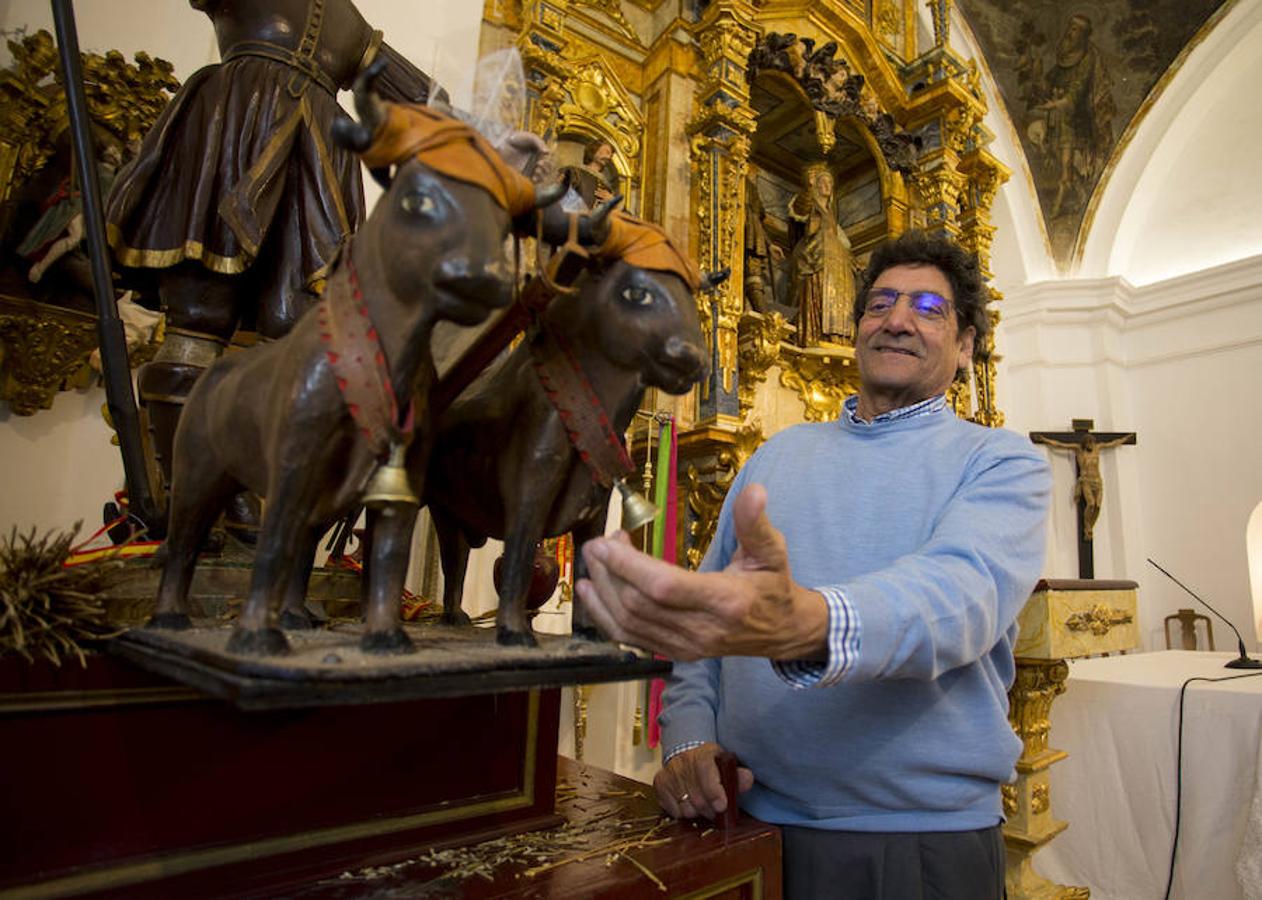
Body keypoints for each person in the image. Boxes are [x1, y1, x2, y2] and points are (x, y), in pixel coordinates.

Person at [576, 230, 1052, 899]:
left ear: (967, 345)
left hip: (910, 844)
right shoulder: (777, 455)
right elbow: (707, 627)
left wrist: (809, 624)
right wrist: (687, 742)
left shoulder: (1001, 461)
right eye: (879, 303)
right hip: (743, 825)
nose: (895, 319)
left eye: (927, 307)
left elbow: (957, 601)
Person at [104, 0, 435, 513]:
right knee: (198, 316)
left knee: (297, 333)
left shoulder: (348, 19)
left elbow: (419, 95)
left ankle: (248, 503)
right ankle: (185, 500)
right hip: (236, 125)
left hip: (319, 161)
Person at [787, 163, 855, 346]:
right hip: (815, 257)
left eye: (829, 183)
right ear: (814, 185)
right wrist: (809, 188)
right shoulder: (809, 204)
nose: (827, 186)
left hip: (836, 264)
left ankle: (838, 338)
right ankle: (815, 334)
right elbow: (800, 210)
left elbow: (844, 242)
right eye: (822, 182)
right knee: (816, 287)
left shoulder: (831, 215)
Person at [1035, 432, 1130, 541]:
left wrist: (1125, 439)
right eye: (1089, 443)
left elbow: (1112, 443)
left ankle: (1089, 527)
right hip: (1086, 481)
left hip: (1098, 482)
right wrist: (1044, 439)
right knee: (1091, 504)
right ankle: (1087, 528)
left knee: (1098, 506)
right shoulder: (1078, 450)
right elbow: (1060, 445)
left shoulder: (1097, 448)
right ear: (1085, 443)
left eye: (1092, 442)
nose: (1091, 445)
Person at [562, 139, 620, 209]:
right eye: (607, 151)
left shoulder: (607, 188)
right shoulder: (574, 172)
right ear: (594, 149)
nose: (609, 156)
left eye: (611, 154)